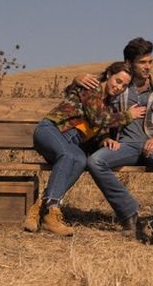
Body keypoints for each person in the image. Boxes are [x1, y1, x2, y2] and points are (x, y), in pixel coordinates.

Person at [23, 62, 146, 236]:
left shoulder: (109, 106)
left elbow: (97, 128)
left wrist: (104, 139)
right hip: (51, 131)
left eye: (124, 86)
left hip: (71, 143)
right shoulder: (92, 87)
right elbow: (97, 118)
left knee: (80, 160)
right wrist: (128, 115)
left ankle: (41, 209)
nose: (119, 87)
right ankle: (50, 212)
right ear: (109, 75)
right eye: (117, 81)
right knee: (68, 156)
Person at [76, 37, 153, 245]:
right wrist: (105, 138)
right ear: (129, 63)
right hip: (126, 145)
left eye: (150, 62)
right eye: (142, 62)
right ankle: (129, 211)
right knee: (95, 161)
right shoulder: (120, 87)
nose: (147, 67)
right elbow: (98, 108)